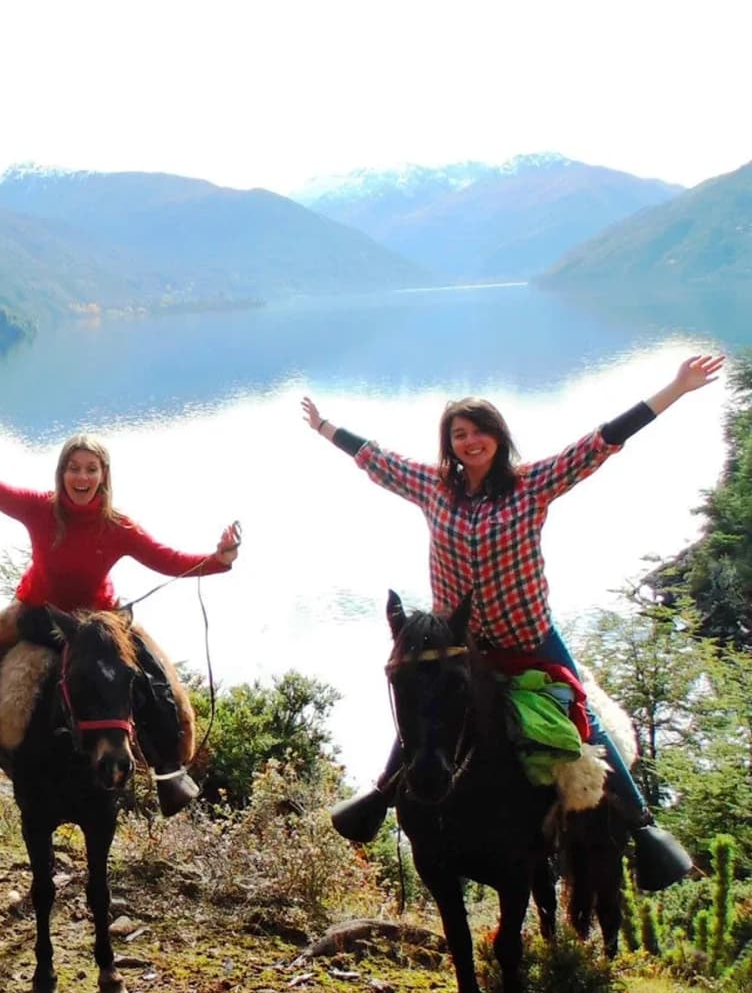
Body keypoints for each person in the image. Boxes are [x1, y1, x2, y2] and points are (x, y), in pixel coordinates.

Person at [302, 352, 725, 889]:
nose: (470, 441)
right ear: (449, 444)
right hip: (462, 643)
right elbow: (376, 459)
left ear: (498, 436)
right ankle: (383, 793)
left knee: (586, 719)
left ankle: (642, 825)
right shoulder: (434, 487)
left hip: (529, 639)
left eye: (479, 431)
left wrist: (676, 388)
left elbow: (599, 443)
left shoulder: (532, 485)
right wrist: (324, 427)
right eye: (459, 434)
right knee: (425, 706)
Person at [0, 408, 240, 817]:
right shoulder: (39, 508)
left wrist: (218, 559)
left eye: (91, 469)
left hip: (99, 622)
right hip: (37, 614)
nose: (82, 477)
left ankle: (169, 772)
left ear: (103, 475)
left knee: (156, 676)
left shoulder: (118, 525)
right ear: (61, 473)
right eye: (74, 468)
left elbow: (166, 558)